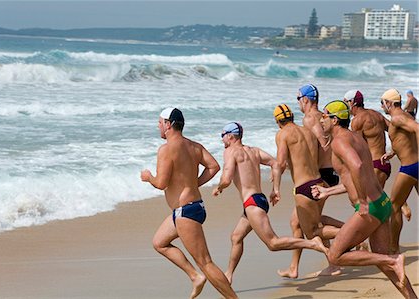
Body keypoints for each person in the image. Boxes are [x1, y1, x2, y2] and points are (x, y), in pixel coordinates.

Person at [319, 100, 416, 298]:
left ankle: (393, 260)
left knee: (335, 255)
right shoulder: (355, 138)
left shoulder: (340, 141)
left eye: (324, 116)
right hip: (382, 203)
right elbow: (352, 177)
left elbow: (356, 167)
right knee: (383, 262)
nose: (321, 120)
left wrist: (362, 202)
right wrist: (327, 192)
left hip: (369, 207)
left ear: (335, 120)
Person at [212, 121, 328, 284]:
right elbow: (275, 163)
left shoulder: (230, 152)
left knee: (273, 243)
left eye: (222, 137)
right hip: (259, 200)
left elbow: (227, 177)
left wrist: (219, 187)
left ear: (230, 136)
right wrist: (275, 189)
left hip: (252, 204)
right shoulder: (254, 151)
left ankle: (312, 243)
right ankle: (229, 274)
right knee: (236, 237)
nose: (222, 141)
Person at [141, 108, 237, 299]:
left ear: (168, 125)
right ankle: (195, 277)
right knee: (159, 243)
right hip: (191, 208)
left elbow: (161, 183)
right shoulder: (194, 146)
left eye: (160, 122)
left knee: (206, 262)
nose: (158, 126)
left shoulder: (166, 150)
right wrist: (195, 183)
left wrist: (148, 177)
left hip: (186, 212)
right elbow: (214, 166)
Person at [277, 84, 343, 278]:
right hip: (325, 174)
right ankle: (295, 267)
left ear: (306, 99)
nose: (297, 102)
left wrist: (306, 167)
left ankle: (350, 238)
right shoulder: (323, 116)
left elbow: (324, 144)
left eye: (298, 98)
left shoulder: (309, 118)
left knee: (311, 228)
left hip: (319, 176)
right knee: (299, 223)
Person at [343, 90, 411, 221]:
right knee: (374, 201)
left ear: (352, 103)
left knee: (366, 203)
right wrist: (394, 150)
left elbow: (358, 148)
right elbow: (395, 130)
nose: (345, 107)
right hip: (384, 164)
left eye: (346, 102)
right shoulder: (376, 115)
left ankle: (401, 204)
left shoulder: (357, 121)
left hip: (374, 166)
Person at [379, 89, 419, 255]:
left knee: (393, 206)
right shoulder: (405, 115)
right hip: (415, 165)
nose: (381, 106)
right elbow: (405, 138)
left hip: (410, 168)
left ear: (388, 103)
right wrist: (393, 152)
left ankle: (393, 248)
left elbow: (417, 129)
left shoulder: (397, 118)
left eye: (382, 103)